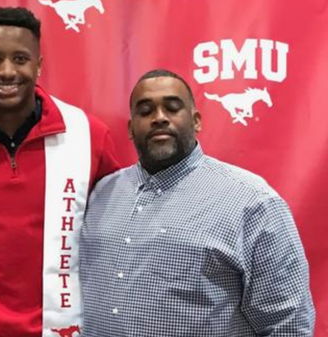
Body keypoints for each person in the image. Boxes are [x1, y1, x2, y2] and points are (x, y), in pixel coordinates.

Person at [0, 7, 120, 337]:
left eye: (20, 58)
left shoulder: (89, 135)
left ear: (39, 65)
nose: (6, 71)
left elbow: (113, 237)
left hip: (66, 329)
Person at [80, 69, 315, 336]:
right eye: (145, 111)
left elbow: (288, 325)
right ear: (131, 129)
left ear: (196, 121)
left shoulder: (252, 203)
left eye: (172, 107)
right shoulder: (102, 194)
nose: (159, 118)